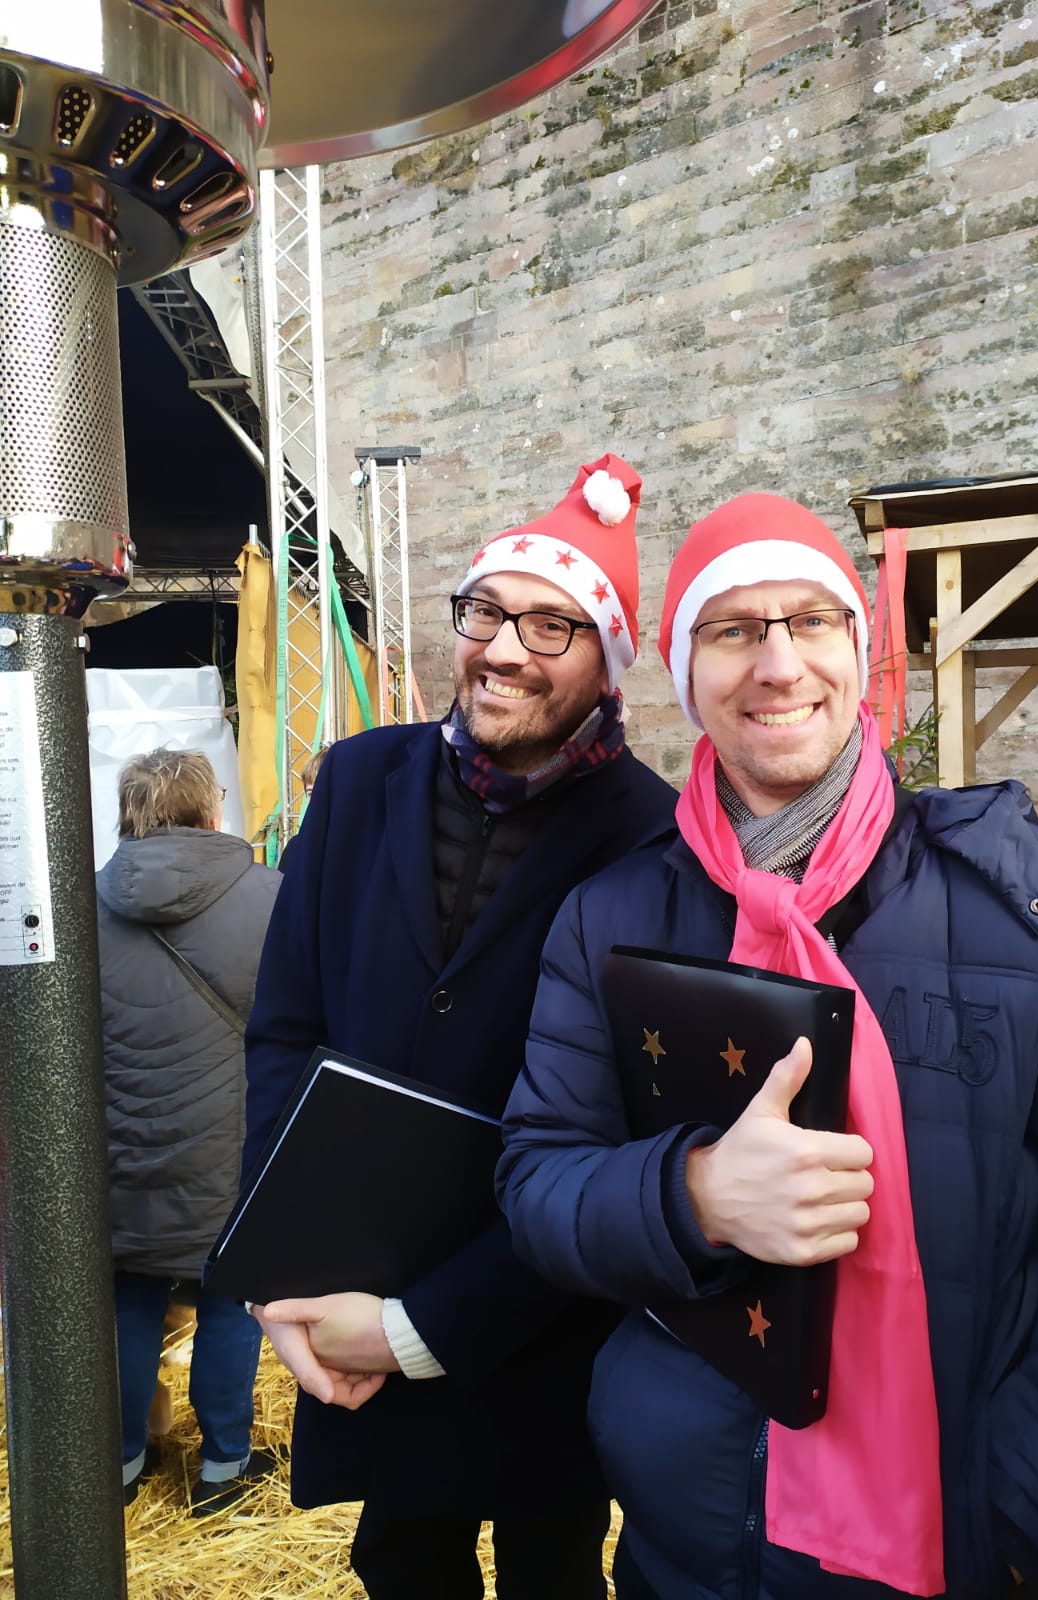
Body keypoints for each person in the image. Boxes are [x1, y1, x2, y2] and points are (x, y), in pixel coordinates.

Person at [497, 493, 1038, 1600]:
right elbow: (539, 1178)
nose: (778, 664)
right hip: (686, 1549)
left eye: (811, 621)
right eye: (733, 629)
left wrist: (1028, 1514)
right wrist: (693, 1195)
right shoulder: (611, 918)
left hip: (956, 1549)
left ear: (857, 653)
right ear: (688, 674)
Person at [240, 453, 678, 1599]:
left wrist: (428, 1324)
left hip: (543, 1326)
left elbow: (630, 1141)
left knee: (554, 1572)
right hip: (355, 1305)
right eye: (486, 611)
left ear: (607, 660)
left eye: (552, 625)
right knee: (399, 1562)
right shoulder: (357, 782)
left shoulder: (657, 841)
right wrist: (278, 1268)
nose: (504, 649)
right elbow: (285, 1031)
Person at [97, 747, 282, 1514]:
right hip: (230, 1148)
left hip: (120, 1154)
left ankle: (120, 1464)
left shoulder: (80, 905)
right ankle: (223, 1468)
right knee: (229, 1301)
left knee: (130, 1299)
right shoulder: (269, 897)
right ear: (212, 811)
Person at [277, 743, 331, 873]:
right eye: (311, 793)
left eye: (323, 791)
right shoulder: (296, 848)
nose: (317, 800)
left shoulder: (365, 845)